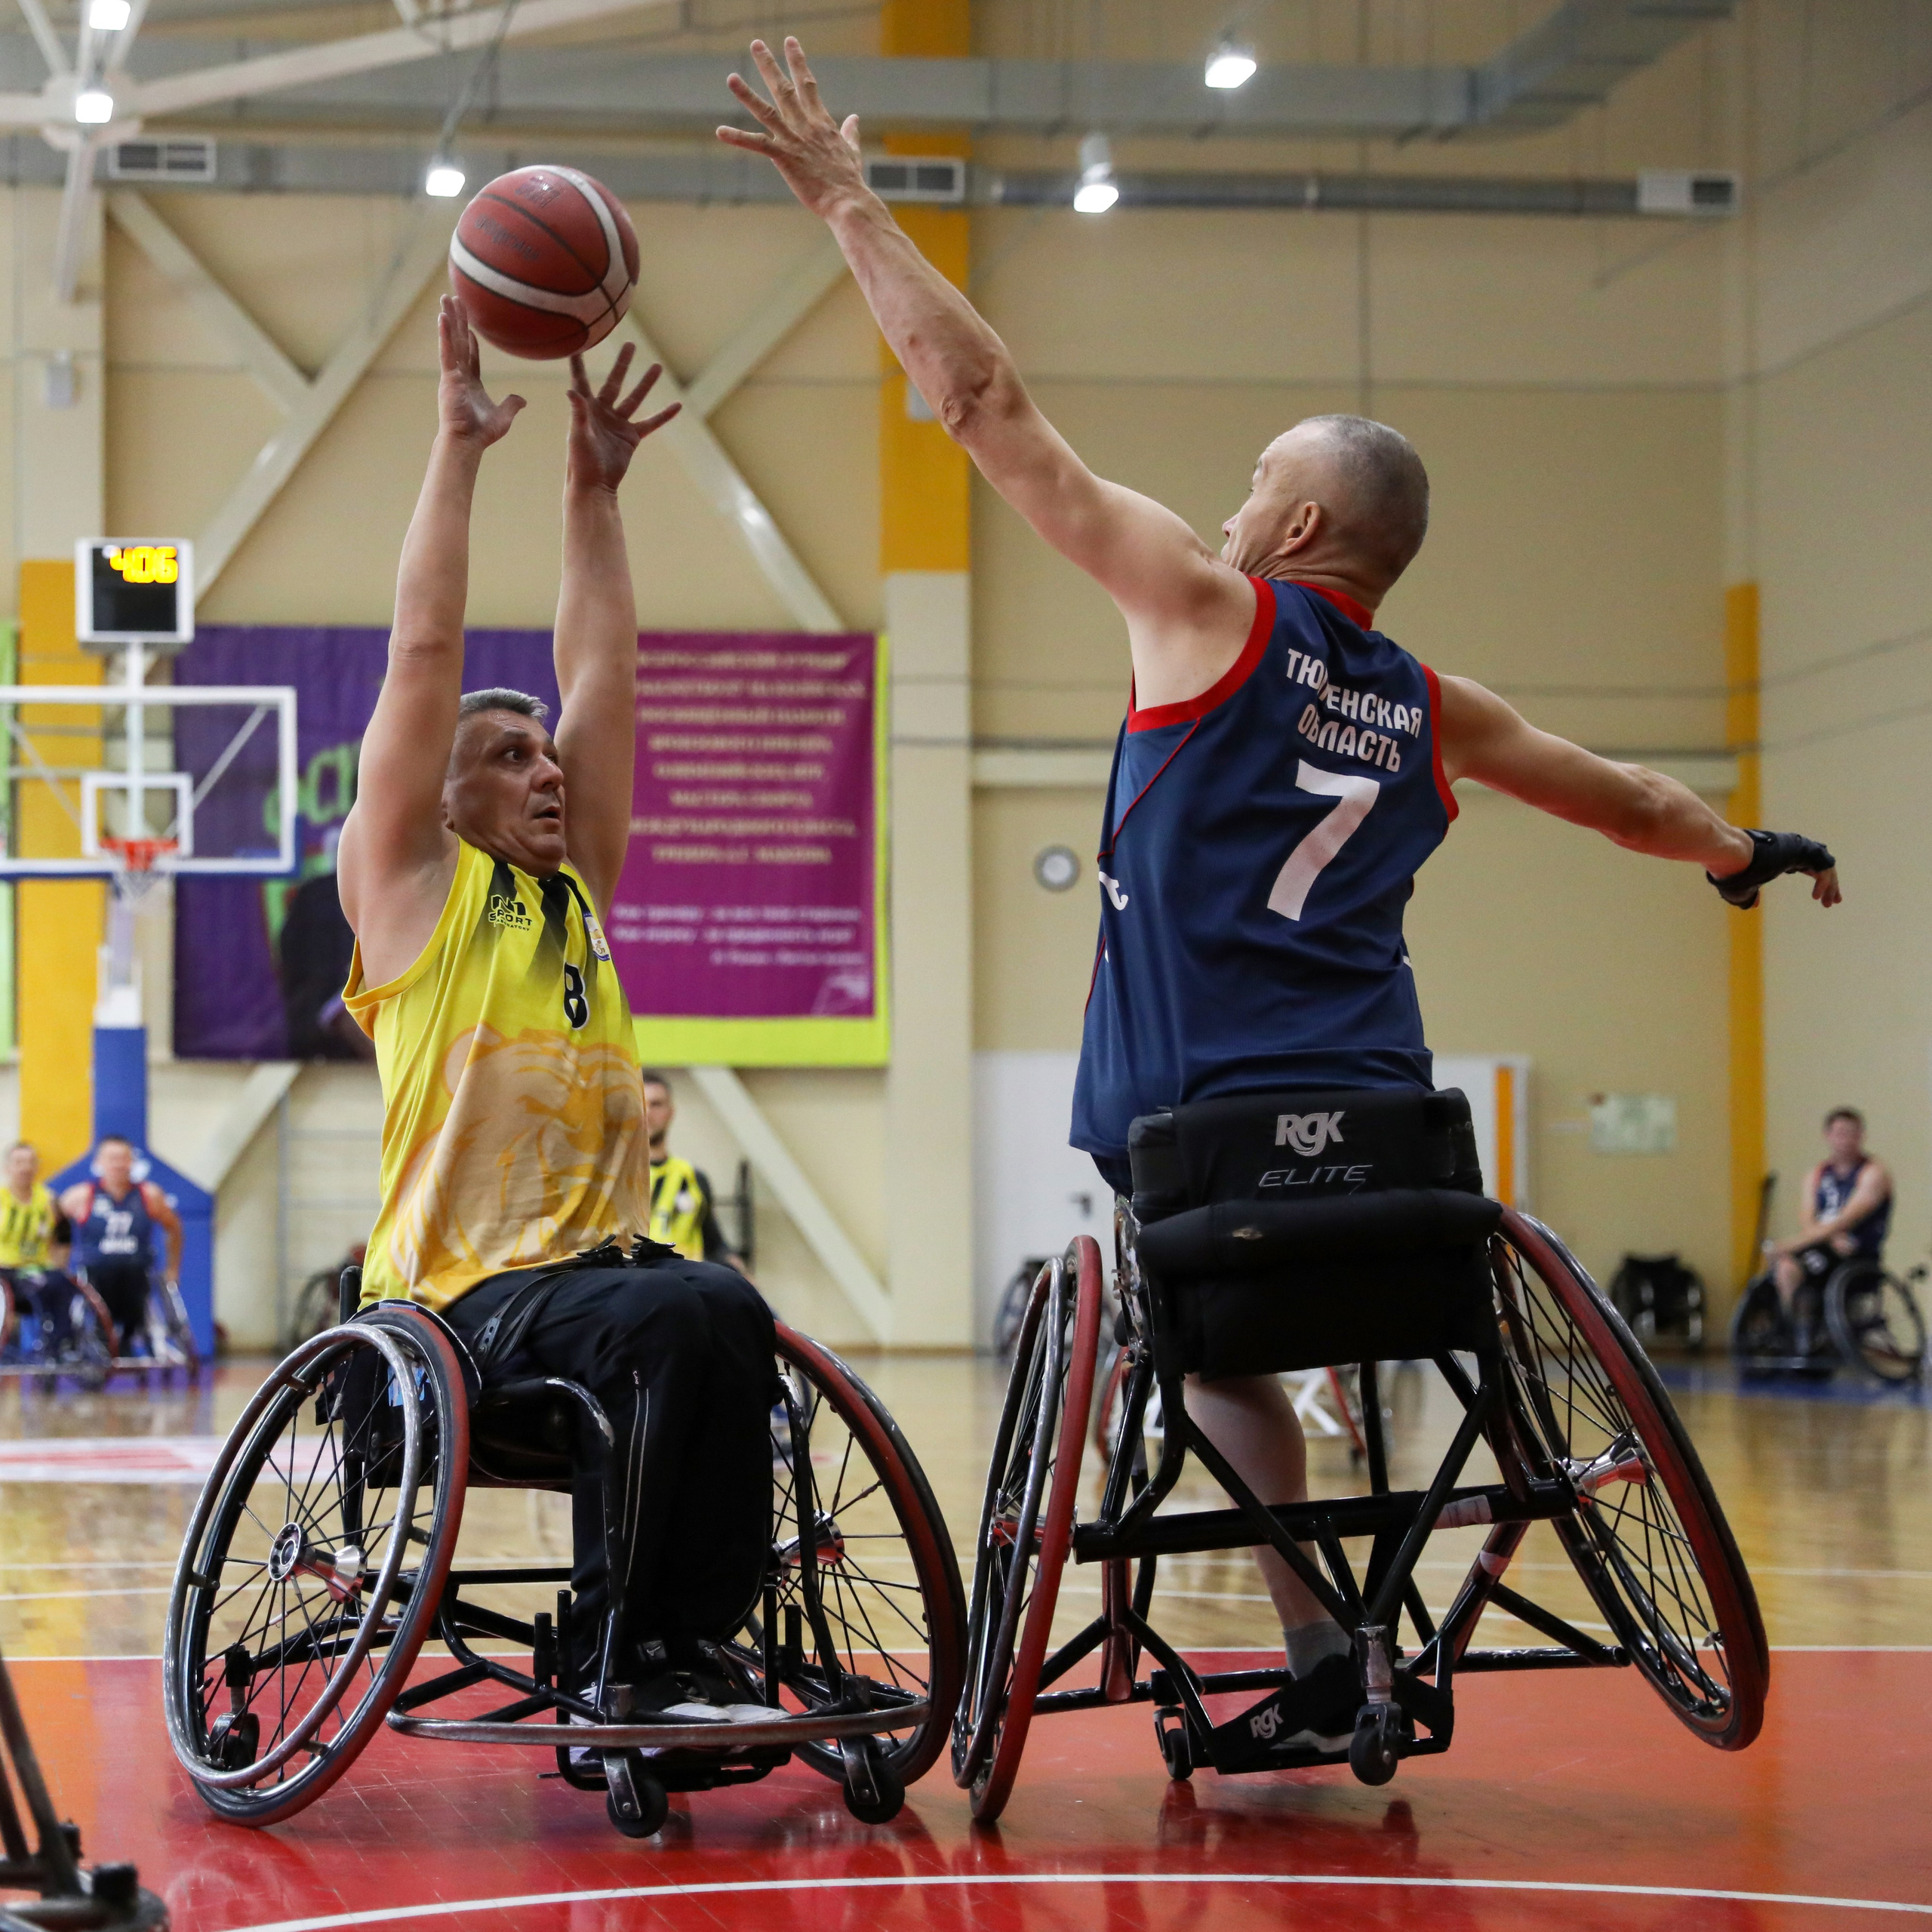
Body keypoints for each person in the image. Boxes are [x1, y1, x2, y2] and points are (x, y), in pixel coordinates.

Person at [719, 37, 1843, 1749]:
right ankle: (1366, 1627)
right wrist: (1744, 857)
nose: (1231, 499)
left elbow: (983, 407)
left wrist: (844, 198)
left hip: (1199, 1140)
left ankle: (1319, 1639)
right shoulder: (1429, 704)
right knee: (1306, 1323)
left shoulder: (1206, 610)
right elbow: (1629, 803)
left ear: (1300, 513)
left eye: (1254, 478)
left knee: (1209, 1340)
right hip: (1400, 1143)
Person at [336, 297, 775, 1714]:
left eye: (547, 756)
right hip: (450, 1311)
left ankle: (685, 1642)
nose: (544, 769)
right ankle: (624, 1656)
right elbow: (421, 651)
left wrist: (593, 491)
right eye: (508, 754)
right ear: (442, 795)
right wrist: (460, 450)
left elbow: (608, 675)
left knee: (720, 1306)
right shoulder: (413, 889)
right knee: (673, 1319)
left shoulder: (578, 888)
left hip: (590, 1283)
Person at [1768, 1108, 1891, 1337]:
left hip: (1857, 1254)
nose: (1845, 1140)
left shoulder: (1873, 1173)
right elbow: (1807, 1216)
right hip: (1824, 1245)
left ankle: (1809, 1334)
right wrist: (1827, 1237)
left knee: (1789, 1256)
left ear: (1861, 1136)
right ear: (1828, 1136)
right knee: (1785, 1268)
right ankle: (1799, 1330)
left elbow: (1848, 1218)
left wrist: (1792, 1244)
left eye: (1851, 1133)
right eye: (1839, 1133)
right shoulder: (1816, 1174)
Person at [59, 1135, 182, 1354]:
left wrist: (173, 1268)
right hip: (96, 1275)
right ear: (98, 1163)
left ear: (132, 1162)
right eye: (112, 1158)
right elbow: (56, 1228)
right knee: (94, 1286)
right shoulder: (80, 1196)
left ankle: (130, 1336)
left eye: (123, 1158)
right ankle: (98, 1338)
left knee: (138, 1282)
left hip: (137, 1275)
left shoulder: (149, 1195)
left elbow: (174, 1229)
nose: (117, 1164)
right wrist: (60, 1264)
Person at [641, 1071, 747, 1271]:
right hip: (634, 1288)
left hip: (686, 1287)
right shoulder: (614, 1179)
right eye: (641, 1104)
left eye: (656, 1104)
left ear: (671, 1112)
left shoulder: (693, 1178)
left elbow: (714, 1243)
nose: (647, 1112)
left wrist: (741, 1274)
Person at [0, 1142, 76, 1357]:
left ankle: (60, 1344)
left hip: (35, 1272)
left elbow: (64, 1236)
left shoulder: (49, 1200)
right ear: (8, 1168)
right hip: (3, 1271)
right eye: (19, 1163)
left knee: (61, 1282)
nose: (25, 1168)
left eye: (30, 1162)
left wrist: (58, 1266)